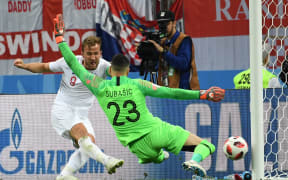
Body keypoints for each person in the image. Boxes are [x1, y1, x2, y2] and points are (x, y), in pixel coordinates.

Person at [54, 14, 225, 177]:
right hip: (156, 132)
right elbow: (172, 92)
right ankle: (194, 161)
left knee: (154, 157)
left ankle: (157, 155)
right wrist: (202, 94)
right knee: (205, 145)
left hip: (137, 147)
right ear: (128, 70)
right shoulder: (139, 84)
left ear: (111, 71)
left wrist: (60, 39)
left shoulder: (99, 86)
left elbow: (72, 63)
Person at [13, 35, 124, 180]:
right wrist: (24, 66)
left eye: (96, 53)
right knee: (83, 135)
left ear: (100, 54)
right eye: (89, 53)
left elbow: (115, 73)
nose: (92, 57)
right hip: (62, 110)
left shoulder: (104, 66)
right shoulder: (69, 62)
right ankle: (106, 160)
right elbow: (44, 66)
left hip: (82, 115)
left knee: (88, 144)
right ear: (82, 54)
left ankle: (65, 175)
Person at [148, 10, 200, 90]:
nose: (163, 27)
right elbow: (157, 67)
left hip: (184, 91)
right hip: (166, 91)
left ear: (174, 23)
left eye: (166, 24)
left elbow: (183, 64)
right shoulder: (161, 42)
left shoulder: (184, 40)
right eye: (160, 24)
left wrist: (163, 52)